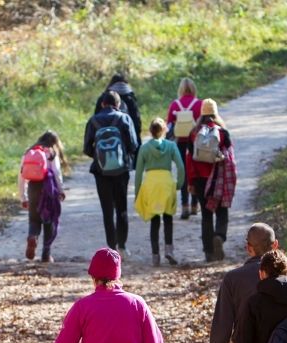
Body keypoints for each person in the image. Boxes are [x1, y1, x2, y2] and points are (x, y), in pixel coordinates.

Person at [84, 91, 139, 258]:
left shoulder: (93, 121)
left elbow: (87, 149)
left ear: (102, 104)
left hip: (101, 172)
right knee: (121, 208)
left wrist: (101, 158)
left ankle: (112, 248)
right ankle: (122, 247)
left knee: (107, 210)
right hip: (121, 171)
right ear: (118, 104)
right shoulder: (124, 119)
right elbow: (133, 145)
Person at [185, 98, 237, 262]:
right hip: (217, 179)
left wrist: (191, 182)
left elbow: (189, 160)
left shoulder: (194, 133)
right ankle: (219, 237)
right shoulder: (222, 132)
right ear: (215, 113)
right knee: (222, 211)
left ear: (201, 113)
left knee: (206, 215)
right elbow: (230, 159)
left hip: (200, 180)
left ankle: (208, 252)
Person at [134, 117, 185, 266]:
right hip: (167, 183)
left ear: (150, 131)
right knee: (168, 218)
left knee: (154, 220)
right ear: (164, 130)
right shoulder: (171, 146)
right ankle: (169, 250)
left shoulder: (144, 148)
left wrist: (138, 192)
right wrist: (178, 184)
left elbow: (138, 173)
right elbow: (181, 167)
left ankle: (155, 255)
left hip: (151, 184)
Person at [18, 130, 68, 262]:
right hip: (48, 189)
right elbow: (57, 173)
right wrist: (61, 190)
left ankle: (32, 236)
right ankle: (46, 254)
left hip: (33, 188)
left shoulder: (30, 152)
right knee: (49, 221)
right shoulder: (51, 153)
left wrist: (23, 197)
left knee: (34, 219)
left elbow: (21, 176)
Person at [166, 77, 202, 220]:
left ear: (180, 89)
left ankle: (184, 205)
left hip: (180, 142)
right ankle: (195, 204)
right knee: (195, 172)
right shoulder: (199, 104)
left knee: (183, 172)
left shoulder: (175, 105)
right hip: (195, 142)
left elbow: (169, 125)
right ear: (193, 89)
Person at [94, 73, 142, 163]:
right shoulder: (130, 97)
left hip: (104, 139)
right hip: (124, 138)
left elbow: (95, 117)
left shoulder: (104, 97)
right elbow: (136, 121)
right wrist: (135, 145)